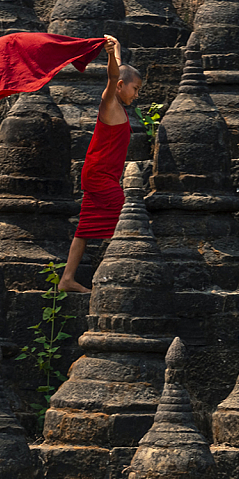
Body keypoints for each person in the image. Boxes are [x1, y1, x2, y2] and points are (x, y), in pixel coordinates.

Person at [59, 35, 141, 292]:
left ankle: (67, 279)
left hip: (102, 174)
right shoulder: (109, 103)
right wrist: (110, 57)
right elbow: (112, 76)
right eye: (135, 89)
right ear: (120, 86)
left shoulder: (117, 104)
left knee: (85, 227)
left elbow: (117, 73)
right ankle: (120, 272)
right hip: (99, 175)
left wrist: (117, 48)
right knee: (128, 215)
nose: (137, 95)